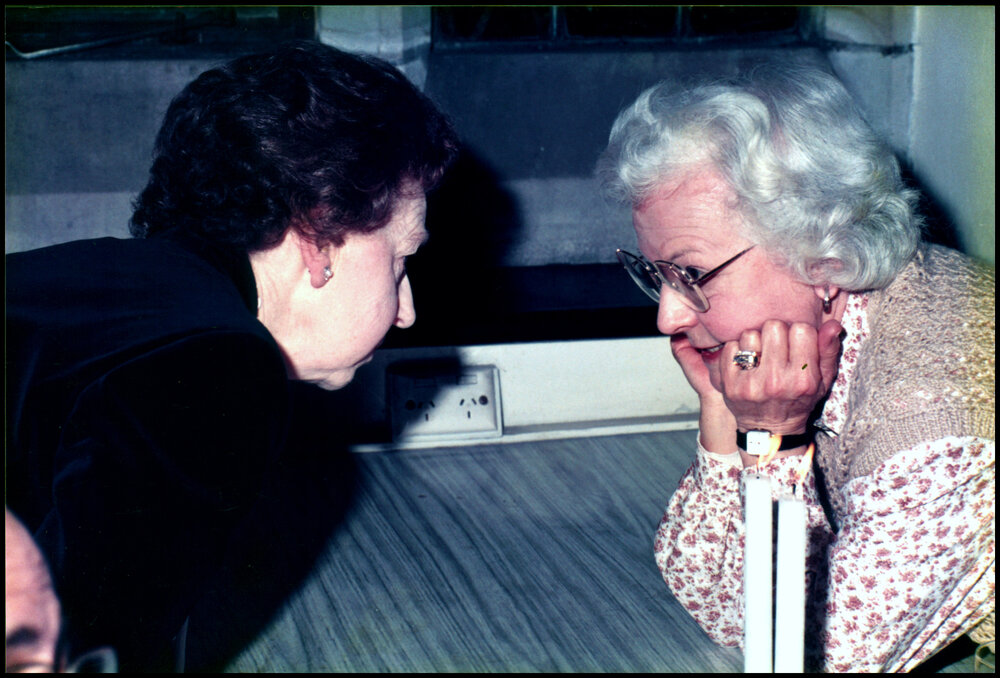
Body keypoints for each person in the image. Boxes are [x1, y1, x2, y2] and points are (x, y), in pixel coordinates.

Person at [6, 40, 457, 672]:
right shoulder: (218, 371)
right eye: (401, 258)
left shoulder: (102, 277)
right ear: (320, 235)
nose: (407, 309)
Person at [599, 63, 994, 671]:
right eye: (659, 275)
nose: (668, 316)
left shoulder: (933, 428)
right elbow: (718, 606)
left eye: (693, 275)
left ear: (821, 253)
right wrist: (724, 418)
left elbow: (801, 655)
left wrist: (777, 441)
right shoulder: (848, 307)